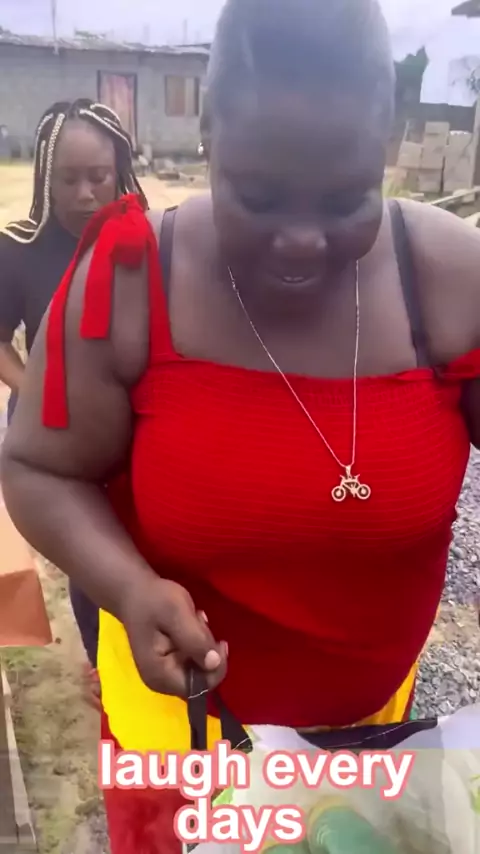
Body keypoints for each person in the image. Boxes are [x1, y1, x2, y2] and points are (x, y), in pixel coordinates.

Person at [3, 0, 480, 849]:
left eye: (346, 199)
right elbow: (39, 466)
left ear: (386, 147)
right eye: (258, 196)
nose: (301, 241)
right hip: (179, 742)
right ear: (209, 137)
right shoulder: (126, 278)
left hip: (373, 734)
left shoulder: (447, 277)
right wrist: (128, 588)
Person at [0, 99, 147, 704]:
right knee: (89, 548)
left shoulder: (146, 241)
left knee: (142, 539)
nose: (85, 193)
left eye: (98, 176)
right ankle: (101, 659)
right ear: (44, 175)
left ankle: (143, 639)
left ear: (120, 171)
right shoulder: (18, 250)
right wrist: (32, 389)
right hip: (54, 428)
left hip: (133, 418)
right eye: (67, 179)